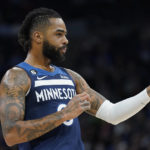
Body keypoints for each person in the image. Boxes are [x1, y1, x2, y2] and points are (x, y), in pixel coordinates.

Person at [0, 8, 150, 150]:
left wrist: (147, 94)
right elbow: (11, 135)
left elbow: (113, 114)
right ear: (38, 36)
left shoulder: (71, 76)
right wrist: (64, 114)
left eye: (65, 35)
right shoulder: (16, 77)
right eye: (58, 34)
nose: (66, 40)